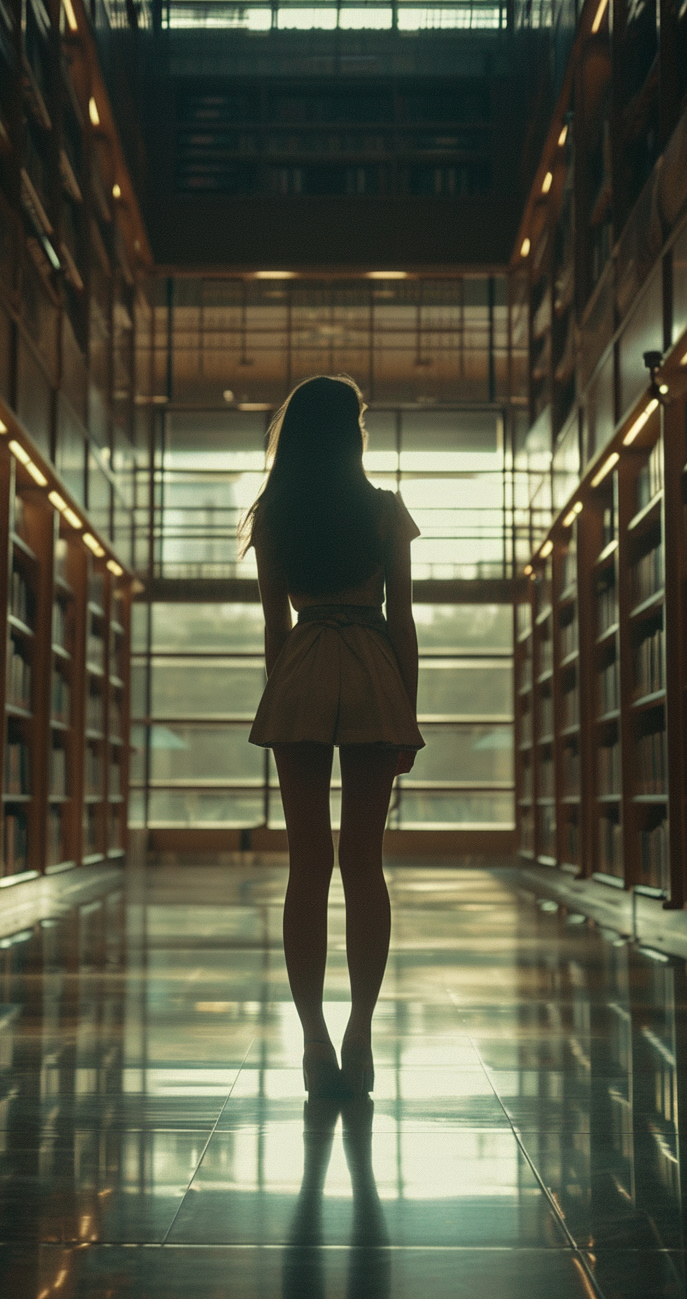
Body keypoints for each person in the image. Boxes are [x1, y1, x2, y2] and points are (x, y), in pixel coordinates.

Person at [239, 375, 424, 1098]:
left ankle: (314, 1040)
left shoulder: (274, 513)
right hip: (374, 670)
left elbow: (272, 626)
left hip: (305, 668)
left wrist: (280, 696)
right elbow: (404, 617)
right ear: (352, 434)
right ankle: (360, 1035)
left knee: (306, 865)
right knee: (364, 864)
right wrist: (407, 709)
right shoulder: (384, 512)